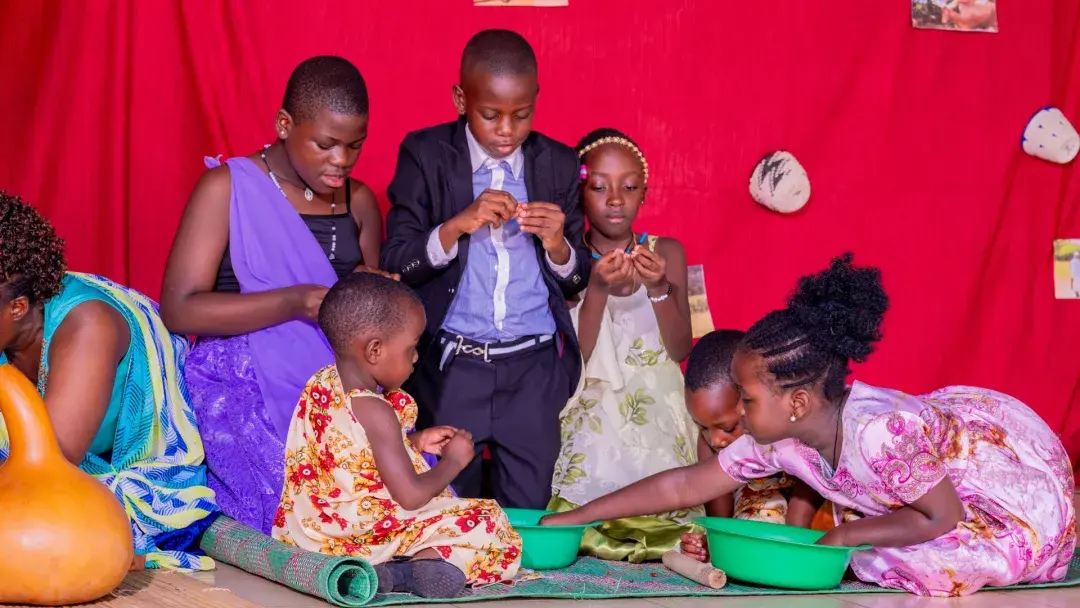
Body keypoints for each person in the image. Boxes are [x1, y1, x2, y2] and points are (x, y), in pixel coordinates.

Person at [543, 253, 1076, 597]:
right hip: (928, 495)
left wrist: (844, 535)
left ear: (796, 402)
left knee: (921, 566)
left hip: (998, 489)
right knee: (858, 552)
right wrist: (581, 516)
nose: (742, 415)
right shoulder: (784, 442)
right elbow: (685, 483)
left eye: (748, 399)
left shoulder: (878, 434)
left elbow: (942, 515)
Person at [161, 56, 391, 534]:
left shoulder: (360, 201)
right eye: (326, 144)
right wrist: (297, 300)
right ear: (284, 124)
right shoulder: (226, 187)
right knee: (294, 511)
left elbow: (372, 323)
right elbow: (180, 309)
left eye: (355, 146)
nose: (342, 161)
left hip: (336, 382)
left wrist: (377, 297)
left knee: (393, 499)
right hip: (240, 382)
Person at [380, 29, 589, 509]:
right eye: (490, 114)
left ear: (536, 100)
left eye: (521, 115)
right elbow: (397, 260)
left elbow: (578, 279)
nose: (506, 130)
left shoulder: (557, 163)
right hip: (454, 368)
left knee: (529, 513)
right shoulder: (427, 154)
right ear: (460, 99)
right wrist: (457, 225)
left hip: (535, 369)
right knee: (449, 509)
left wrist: (558, 244)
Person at [0, 192, 218, 570]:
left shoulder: (87, 327)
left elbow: (45, 465)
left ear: (17, 308)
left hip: (119, 487)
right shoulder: (11, 326)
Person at [273, 272, 521, 598]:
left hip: (313, 534)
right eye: (412, 347)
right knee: (491, 523)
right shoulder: (376, 410)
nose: (416, 357)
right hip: (361, 535)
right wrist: (453, 462)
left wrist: (414, 443)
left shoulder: (323, 384)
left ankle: (404, 566)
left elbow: (350, 455)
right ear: (374, 350)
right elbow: (411, 496)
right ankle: (405, 572)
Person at [547, 128, 697, 562]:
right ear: (580, 193)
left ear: (644, 195)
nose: (615, 198)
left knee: (668, 505)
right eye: (599, 187)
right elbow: (576, 356)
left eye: (629, 187)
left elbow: (681, 347)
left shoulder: (667, 251)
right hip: (595, 410)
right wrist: (596, 289)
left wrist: (658, 286)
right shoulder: (566, 259)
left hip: (658, 411)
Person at [679, 328, 829, 562]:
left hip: (817, 495)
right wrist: (714, 545)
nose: (715, 440)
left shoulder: (789, 421)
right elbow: (721, 517)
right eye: (702, 428)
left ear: (750, 401)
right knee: (758, 521)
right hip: (762, 500)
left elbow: (811, 483)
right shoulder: (710, 443)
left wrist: (794, 535)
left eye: (728, 428)